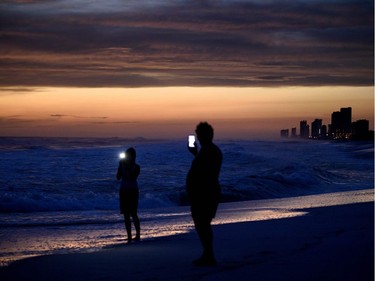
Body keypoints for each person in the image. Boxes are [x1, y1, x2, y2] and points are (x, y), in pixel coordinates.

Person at [186, 122, 223, 266]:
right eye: (198, 135)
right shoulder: (206, 150)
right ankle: (207, 254)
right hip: (204, 192)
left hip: (206, 193)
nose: (198, 137)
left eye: (200, 134)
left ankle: (209, 255)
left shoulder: (210, 151)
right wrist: (195, 153)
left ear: (207, 135)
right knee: (202, 224)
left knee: (203, 224)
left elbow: (206, 172)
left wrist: (196, 155)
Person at [116, 147, 141, 243]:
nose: (127, 157)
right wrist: (120, 166)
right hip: (123, 190)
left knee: (133, 213)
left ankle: (138, 235)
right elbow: (118, 177)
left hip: (133, 190)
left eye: (128, 155)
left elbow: (132, 177)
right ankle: (129, 236)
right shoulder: (122, 164)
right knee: (126, 214)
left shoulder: (137, 167)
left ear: (133, 156)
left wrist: (126, 166)